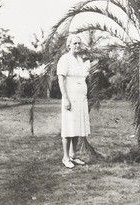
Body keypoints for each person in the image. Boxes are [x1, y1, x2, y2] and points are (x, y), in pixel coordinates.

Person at [57, 34, 91, 168]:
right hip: (70, 97)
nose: (77, 46)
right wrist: (65, 98)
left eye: (79, 43)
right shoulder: (65, 59)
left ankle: (73, 155)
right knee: (68, 127)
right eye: (74, 43)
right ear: (69, 45)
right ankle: (65, 157)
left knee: (76, 128)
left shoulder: (80, 60)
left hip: (80, 99)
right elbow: (61, 79)